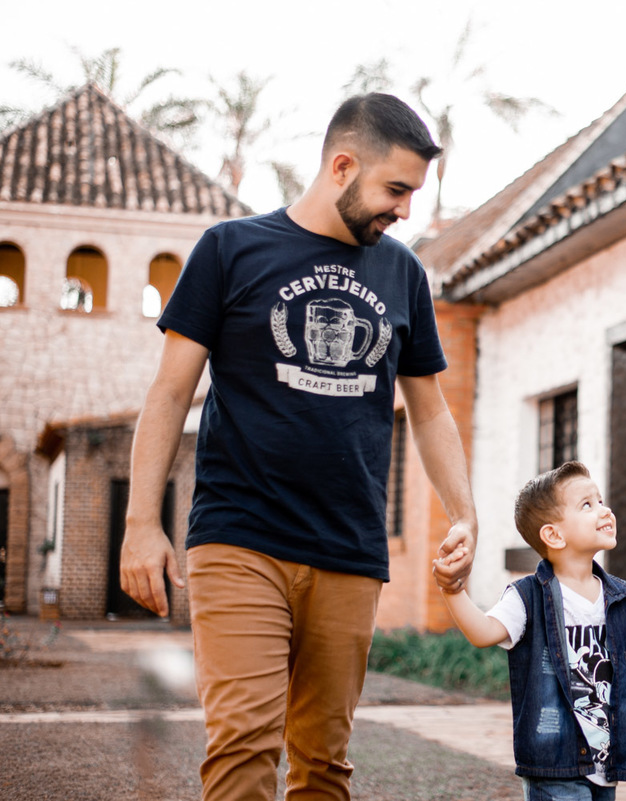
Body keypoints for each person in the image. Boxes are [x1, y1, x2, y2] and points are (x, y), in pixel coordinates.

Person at [119, 93, 478, 801]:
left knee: (323, 763)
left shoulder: (402, 272)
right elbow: (168, 393)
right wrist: (139, 522)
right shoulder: (230, 249)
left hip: (349, 547)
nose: (405, 210)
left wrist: (463, 512)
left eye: (412, 193)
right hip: (240, 537)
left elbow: (431, 410)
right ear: (342, 166)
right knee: (244, 744)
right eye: (395, 189)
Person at [438, 460, 626, 801]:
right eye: (587, 505)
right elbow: (484, 632)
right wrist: (452, 592)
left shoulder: (623, 597)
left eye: (600, 501)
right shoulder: (528, 596)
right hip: (555, 764)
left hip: (605, 765)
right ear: (553, 535)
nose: (604, 510)